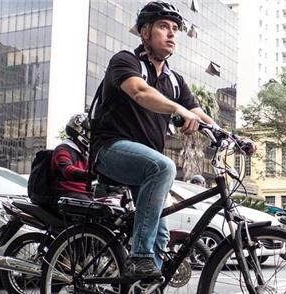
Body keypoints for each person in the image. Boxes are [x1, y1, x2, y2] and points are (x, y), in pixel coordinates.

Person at [90, 1, 254, 280]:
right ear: (144, 33)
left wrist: (232, 137)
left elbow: (199, 113)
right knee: (164, 167)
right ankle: (138, 258)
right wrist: (177, 109)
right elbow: (139, 92)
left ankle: (143, 283)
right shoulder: (126, 61)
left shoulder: (174, 80)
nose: (171, 34)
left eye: (175, 29)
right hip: (110, 150)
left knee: (161, 234)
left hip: (145, 165)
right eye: (163, 27)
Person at [48, 113, 94, 213]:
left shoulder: (85, 151)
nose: (93, 136)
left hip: (85, 194)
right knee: (97, 212)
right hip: (67, 194)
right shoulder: (63, 149)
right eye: (90, 133)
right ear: (80, 132)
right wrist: (90, 175)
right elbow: (67, 170)